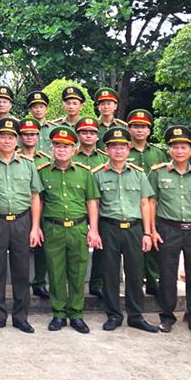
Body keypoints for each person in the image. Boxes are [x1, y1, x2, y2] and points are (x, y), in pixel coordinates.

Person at [0, 117, 42, 334]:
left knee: (22, 270)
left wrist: (34, 227)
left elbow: (35, 197)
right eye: (3, 136)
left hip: (22, 221)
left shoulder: (28, 165)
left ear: (17, 140)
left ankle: (21, 317)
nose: (7, 140)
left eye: (11, 136)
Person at [32, 126, 99, 333]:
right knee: (56, 272)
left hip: (78, 228)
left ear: (74, 149)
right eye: (58, 146)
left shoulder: (84, 174)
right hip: (53, 228)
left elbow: (91, 202)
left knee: (78, 273)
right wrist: (36, 227)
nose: (61, 150)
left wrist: (93, 229)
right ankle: (59, 314)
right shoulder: (42, 172)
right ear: (51, 148)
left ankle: (77, 314)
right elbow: (38, 201)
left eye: (66, 146)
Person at [92, 128, 159, 333]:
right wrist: (94, 231)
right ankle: (113, 314)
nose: (118, 151)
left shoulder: (139, 175)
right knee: (110, 273)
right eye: (114, 147)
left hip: (134, 228)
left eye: (122, 147)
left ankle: (136, 315)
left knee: (135, 273)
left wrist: (147, 232)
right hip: (109, 227)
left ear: (128, 149)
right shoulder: (97, 175)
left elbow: (145, 203)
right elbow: (94, 203)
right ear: (107, 150)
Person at [148, 125, 191, 336]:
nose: (179, 151)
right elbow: (151, 202)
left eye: (184, 147)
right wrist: (152, 230)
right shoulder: (158, 173)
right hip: (168, 228)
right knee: (166, 274)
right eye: (175, 147)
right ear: (169, 150)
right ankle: (167, 317)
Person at [125, 108, 168, 296]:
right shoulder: (123, 150)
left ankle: (153, 280)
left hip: (154, 205)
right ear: (129, 129)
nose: (139, 130)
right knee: (133, 248)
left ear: (149, 130)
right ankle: (136, 282)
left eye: (143, 127)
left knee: (153, 244)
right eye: (135, 126)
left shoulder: (158, 154)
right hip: (130, 206)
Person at [73, 117, 108, 297]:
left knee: (101, 247)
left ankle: (97, 283)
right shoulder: (70, 155)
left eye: (92, 132)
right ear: (78, 134)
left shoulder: (105, 158)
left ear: (97, 136)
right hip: (75, 208)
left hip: (99, 207)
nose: (88, 136)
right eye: (84, 132)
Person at [16, 119, 50, 300]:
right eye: (26, 134)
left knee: (41, 247)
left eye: (33, 134)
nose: (29, 137)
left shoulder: (46, 159)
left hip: (41, 207)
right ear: (20, 137)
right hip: (18, 208)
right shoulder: (13, 156)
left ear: (38, 136)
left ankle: (39, 282)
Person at [26, 91, 54, 155]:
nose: (38, 110)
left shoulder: (54, 128)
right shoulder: (24, 129)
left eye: (41, 107)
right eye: (35, 107)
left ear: (46, 109)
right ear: (30, 110)